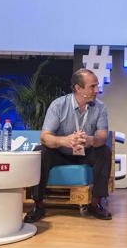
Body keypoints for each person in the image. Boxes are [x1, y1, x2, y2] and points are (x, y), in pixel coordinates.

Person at [24, 69, 112, 222]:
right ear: (78, 88)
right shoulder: (59, 105)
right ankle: (38, 206)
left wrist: (90, 140)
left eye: (97, 86)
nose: (97, 90)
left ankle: (95, 204)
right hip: (61, 153)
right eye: (92, 86)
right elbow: (45, 136)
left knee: (104, 151)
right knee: (40, 152)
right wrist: (65, 141)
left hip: (86, 152)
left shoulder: (100, 107)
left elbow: (103, 136)